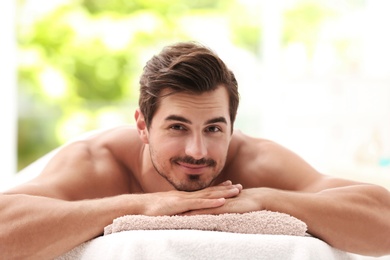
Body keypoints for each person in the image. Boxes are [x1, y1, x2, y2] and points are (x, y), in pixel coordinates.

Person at [1, 42, 390, 259]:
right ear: (142, 125)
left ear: (232, 127)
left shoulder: (254, 162)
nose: (198, 150)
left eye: (214, 128)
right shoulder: (97, 162)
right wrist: (138, 206)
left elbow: (382, 220)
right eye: (177, 127)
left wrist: (266, 200)